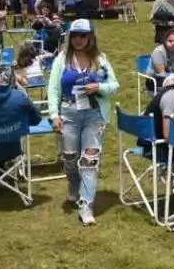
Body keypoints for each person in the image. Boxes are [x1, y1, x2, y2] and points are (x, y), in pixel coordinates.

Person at [46, 19, 119, 226]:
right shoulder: (62, 59)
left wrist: (100, 87)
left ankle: (86, 205)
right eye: (75, 35)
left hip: (94, 114)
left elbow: (114, 84)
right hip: (69, 112)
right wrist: (54, 115)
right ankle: (73, 186)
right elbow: (52, 89)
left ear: (90, 37)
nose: (78, 40)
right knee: (69, 158)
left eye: (83, 35)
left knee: (90, 160)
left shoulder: (101, 60)